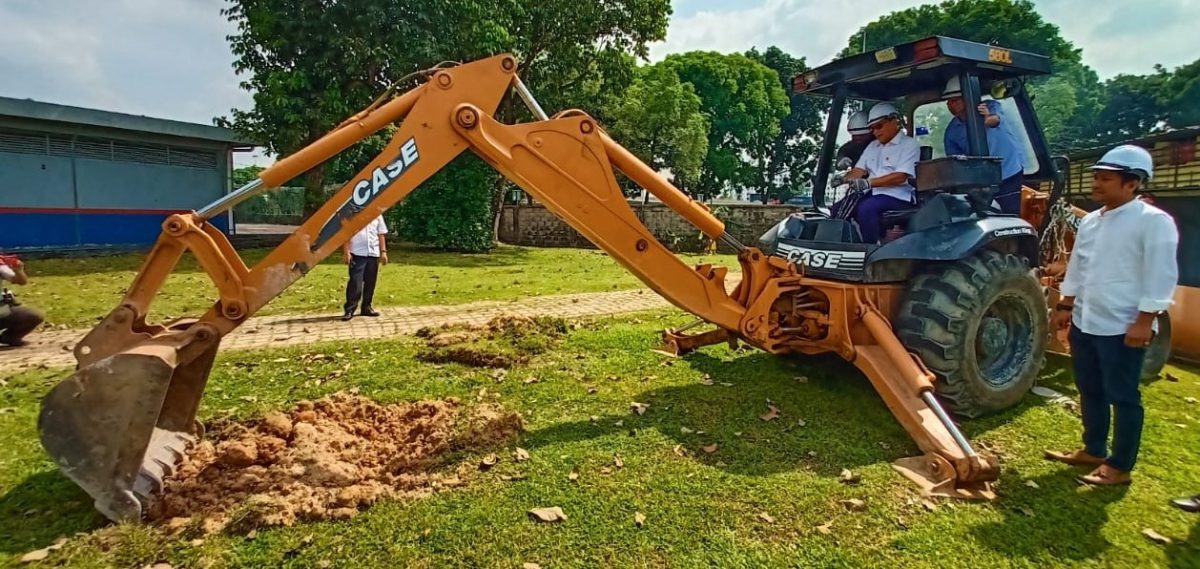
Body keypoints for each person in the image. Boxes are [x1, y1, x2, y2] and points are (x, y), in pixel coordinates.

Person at [1044, 145, 1179, 486]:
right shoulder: (1091, 220)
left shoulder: (1154, 222)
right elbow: (1078, 265)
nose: (1097, 185)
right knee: (1089, 387)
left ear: (1132, 184)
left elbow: (1161, 274)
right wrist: (1065, 305)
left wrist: (1145, 319)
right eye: (1096, 178)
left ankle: (1120, 466)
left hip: (1123, 324)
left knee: (1123, 395)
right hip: (1087, 319)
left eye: (1106, 179)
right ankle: (1093, 448)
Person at [830, 102, 920, 243]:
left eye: (879, 126)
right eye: (872, 128)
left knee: (867, 208)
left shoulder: (909, 144)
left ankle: (871, 248)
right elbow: (859, 170)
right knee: (838, 208)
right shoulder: (873, 145)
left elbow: (901, 177)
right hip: (874, 193)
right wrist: (843, 179)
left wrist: (868, 183)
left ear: (894, 120)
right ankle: (843, 246)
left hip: (899, 196)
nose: (876, 132)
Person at [942, 76, 1027, 215]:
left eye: (955, 100)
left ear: (967, 98)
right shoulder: (951, 132)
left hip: (1008, 172)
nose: (950, 105)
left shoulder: (991, 106)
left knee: (1012, 215)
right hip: (981, 182)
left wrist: (986, 117)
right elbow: (955, 161)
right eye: (948, 101)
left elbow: (994, 120)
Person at [341, 215, 389, 321]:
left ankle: (366, 307)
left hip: (373, 254)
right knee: (355, 282)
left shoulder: (377, 215)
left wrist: (383, 252)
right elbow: (347, 234)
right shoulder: (355, 214)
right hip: (357, 253)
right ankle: (350, 309)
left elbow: (381, 234)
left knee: (370, 282)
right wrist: (346, 252)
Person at [0, 254, 45, 347]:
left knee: (33, 316)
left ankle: (10, 337)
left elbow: (21, 281)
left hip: (2, 313)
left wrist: (18, 270)